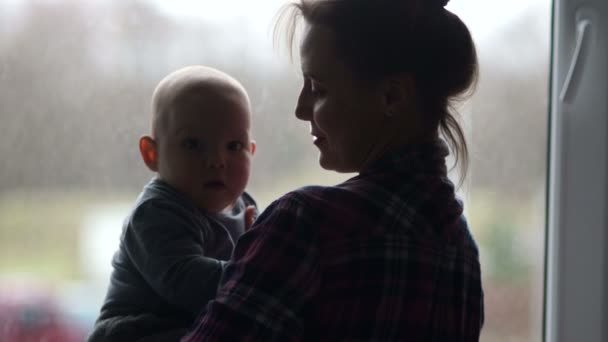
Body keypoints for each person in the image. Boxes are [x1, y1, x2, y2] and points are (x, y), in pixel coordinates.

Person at [183, 0, 484, 341]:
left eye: (319, 89)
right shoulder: (461, 254)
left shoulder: (305, 226)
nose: (300, 109)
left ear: (391, 97)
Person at [88, 65, 258, 342]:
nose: (217, 160)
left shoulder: (246, 207)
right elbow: (186, 281)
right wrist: (257, 270)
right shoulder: (156, 212)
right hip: (138, 330)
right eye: (193, 144)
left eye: (233, 146)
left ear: (251, 151)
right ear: (151, 153)